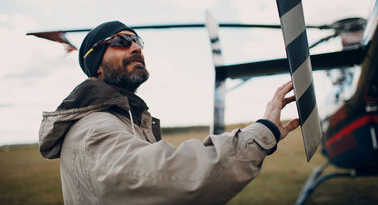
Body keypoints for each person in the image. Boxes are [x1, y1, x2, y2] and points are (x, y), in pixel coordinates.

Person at [39, 21, 300, 204]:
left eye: (136, 40)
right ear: (96, 66)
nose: (135, 47)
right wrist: (263, 132)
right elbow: (175, 178)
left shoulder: (127, 118)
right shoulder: (95, 128)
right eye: (121, 41)